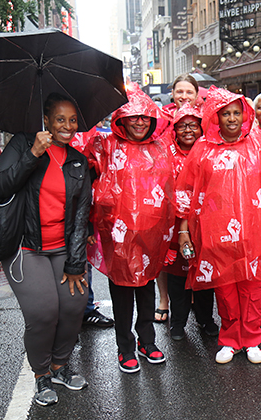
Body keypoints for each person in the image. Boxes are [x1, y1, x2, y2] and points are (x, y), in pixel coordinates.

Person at [175, 86, 261, 365]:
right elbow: (187, 192)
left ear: (244, 115)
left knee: (251, 287)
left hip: (253, 230)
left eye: (237, 112)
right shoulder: (203, 149)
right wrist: (184, 230)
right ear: (216, 117)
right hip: (215, 231)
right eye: (226, 113)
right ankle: (229, 338)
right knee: (224, 287)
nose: (232, 118)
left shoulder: (257, 144)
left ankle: (252, 338)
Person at [0, 93, 92, 406]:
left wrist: (75, 264)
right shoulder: (22, 144)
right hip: (26, 246)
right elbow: (0, 187)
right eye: (60, 119)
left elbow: (81, 216)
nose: (67, 126)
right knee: (44, 312)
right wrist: (33, 154)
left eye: (72, 120)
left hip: (62, 246)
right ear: (46, 120)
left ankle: (60, 366)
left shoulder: (78, 160)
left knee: (74, 306)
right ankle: (41, 374)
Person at [85, 85, 175, 373]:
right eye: (133, 116)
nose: (139, 122)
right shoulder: (106, 145)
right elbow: (87, 178)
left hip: (151, 232)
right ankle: (124, 346)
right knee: (122, 292)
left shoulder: (160, 147)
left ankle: (147, 340)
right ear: (121, 118)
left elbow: (170, 187)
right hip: (118, 234)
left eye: (145, 116)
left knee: (146, 289)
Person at [163, 103, 218, 341]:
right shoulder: (166, 155)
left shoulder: (211, 152)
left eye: (193, 125)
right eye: (182, 126)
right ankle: (178, 322)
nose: (188, 130)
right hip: (175, 226)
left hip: (206, 223)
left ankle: (206, 318)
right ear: (174, 129)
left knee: (206, 273)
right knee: (177, 276)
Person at [157, 74, 201, 321]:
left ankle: (192, 292)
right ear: (172, 93)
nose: (184, 96)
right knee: (166, 252)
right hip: (168, 198)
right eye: (179, 91)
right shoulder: (163, 119)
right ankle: (164, 298)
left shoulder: (205, 119)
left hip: (198, 200)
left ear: (196, 95)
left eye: (189, 92)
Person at [70, 119, 115, 328]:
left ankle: (85, 310)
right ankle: (67, 316)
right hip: (51, 212)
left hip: (81, 206)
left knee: (80, 259)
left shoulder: (93, 134)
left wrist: (88, 222)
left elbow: (94, 175)